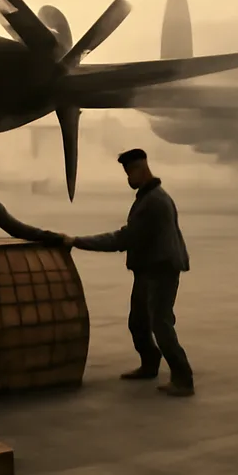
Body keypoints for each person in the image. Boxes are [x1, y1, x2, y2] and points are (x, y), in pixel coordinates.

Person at [69, 149, 194, 397]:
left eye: (129, 172)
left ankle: (183, 378)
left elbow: (124, 238)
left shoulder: (154, 201)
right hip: (147, 269)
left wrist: (76, 241)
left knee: (161, 324)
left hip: (161, 270)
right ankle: (149, 365)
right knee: (137, 322)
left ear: (141, 169)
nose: (127, 178)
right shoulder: (148, 197)